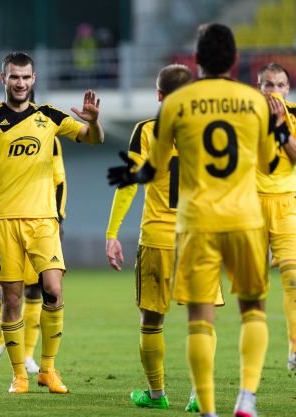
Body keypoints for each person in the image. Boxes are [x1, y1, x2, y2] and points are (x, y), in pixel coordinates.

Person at [107, 23, 280, 417]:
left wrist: (129, 184)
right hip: (243, 220)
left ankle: (200, 405)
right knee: (253, 310)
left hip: (191, 224)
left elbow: (152, 168)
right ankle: (246, 398)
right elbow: (269, 164)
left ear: (197, 59)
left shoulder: (176, 108)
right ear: (236, 60)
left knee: (192, 319)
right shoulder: (254, 101)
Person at [0, 51, 103, 394]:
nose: (20, 83)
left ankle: (48, 369)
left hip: (44, 220)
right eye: (14, 77)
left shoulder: (49, 116)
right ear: (4, 79)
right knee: (12, 300)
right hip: (4, 221)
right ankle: (19, 375)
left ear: (34, 79)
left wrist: (93, 122)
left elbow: (94, 139)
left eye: (26, 77)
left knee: (53, 290)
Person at [106, 64, 193, 410]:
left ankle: (157, 395)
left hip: (157, 237)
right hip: (198, 237)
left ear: (158, 95)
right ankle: (200, 395)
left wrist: (112, 233)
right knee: (201, 318)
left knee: (152, 320)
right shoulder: (207, 130)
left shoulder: (145, 131)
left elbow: (128, 184)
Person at [0, 133, 68, 375]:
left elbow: (59, 180)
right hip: (6, 221)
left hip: (39, 221)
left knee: (38, 290)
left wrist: (60, 217)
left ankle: (28, 356)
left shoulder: (50, 136)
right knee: (4, 292)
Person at [256, 63, 296, 372]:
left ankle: (295, 349)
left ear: (288, 88)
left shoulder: (294, 115)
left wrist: (281, 127)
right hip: (251, 206)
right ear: (259, 88)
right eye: (269, 84)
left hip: (287, 206)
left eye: (280, 85)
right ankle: (252, 361)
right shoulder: (246, 117)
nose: (275, 91)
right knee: (253, 288)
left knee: (293, 279)